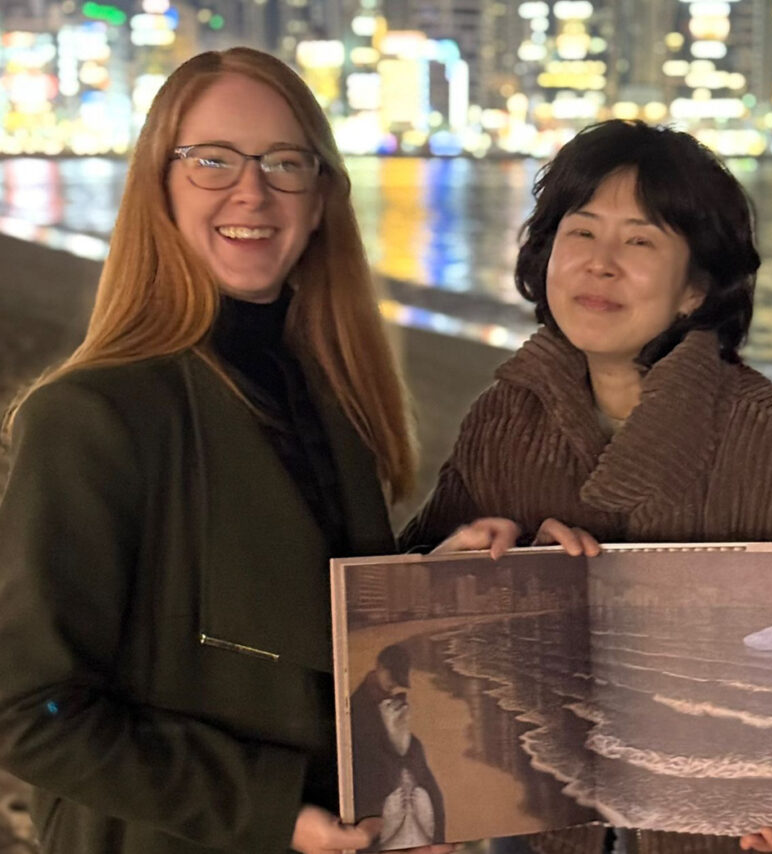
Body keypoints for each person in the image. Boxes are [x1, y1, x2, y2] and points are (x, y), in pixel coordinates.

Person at [401, 121, 772, 854]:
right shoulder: (506, 415)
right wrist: (463, 566)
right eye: (580, 232)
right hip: (536, 820)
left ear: (695, 288)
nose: (600, 265)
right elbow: (404, 597)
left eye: (640, 242)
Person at [0, 47, 438, 854]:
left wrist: (439, 569)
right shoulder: (91, 417)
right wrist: (274, 813)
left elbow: (297, 613)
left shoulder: (330, 395)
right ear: (159, 189)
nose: (252, 191)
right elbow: (29, 711)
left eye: (284, 162)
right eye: (212, 161)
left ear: (320, 199)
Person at [350, 645, 446, 848]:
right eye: (392, 677)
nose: (394, 685)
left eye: (398, 680)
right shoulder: (357, 712)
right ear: (380, 667)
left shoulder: (389, 705)